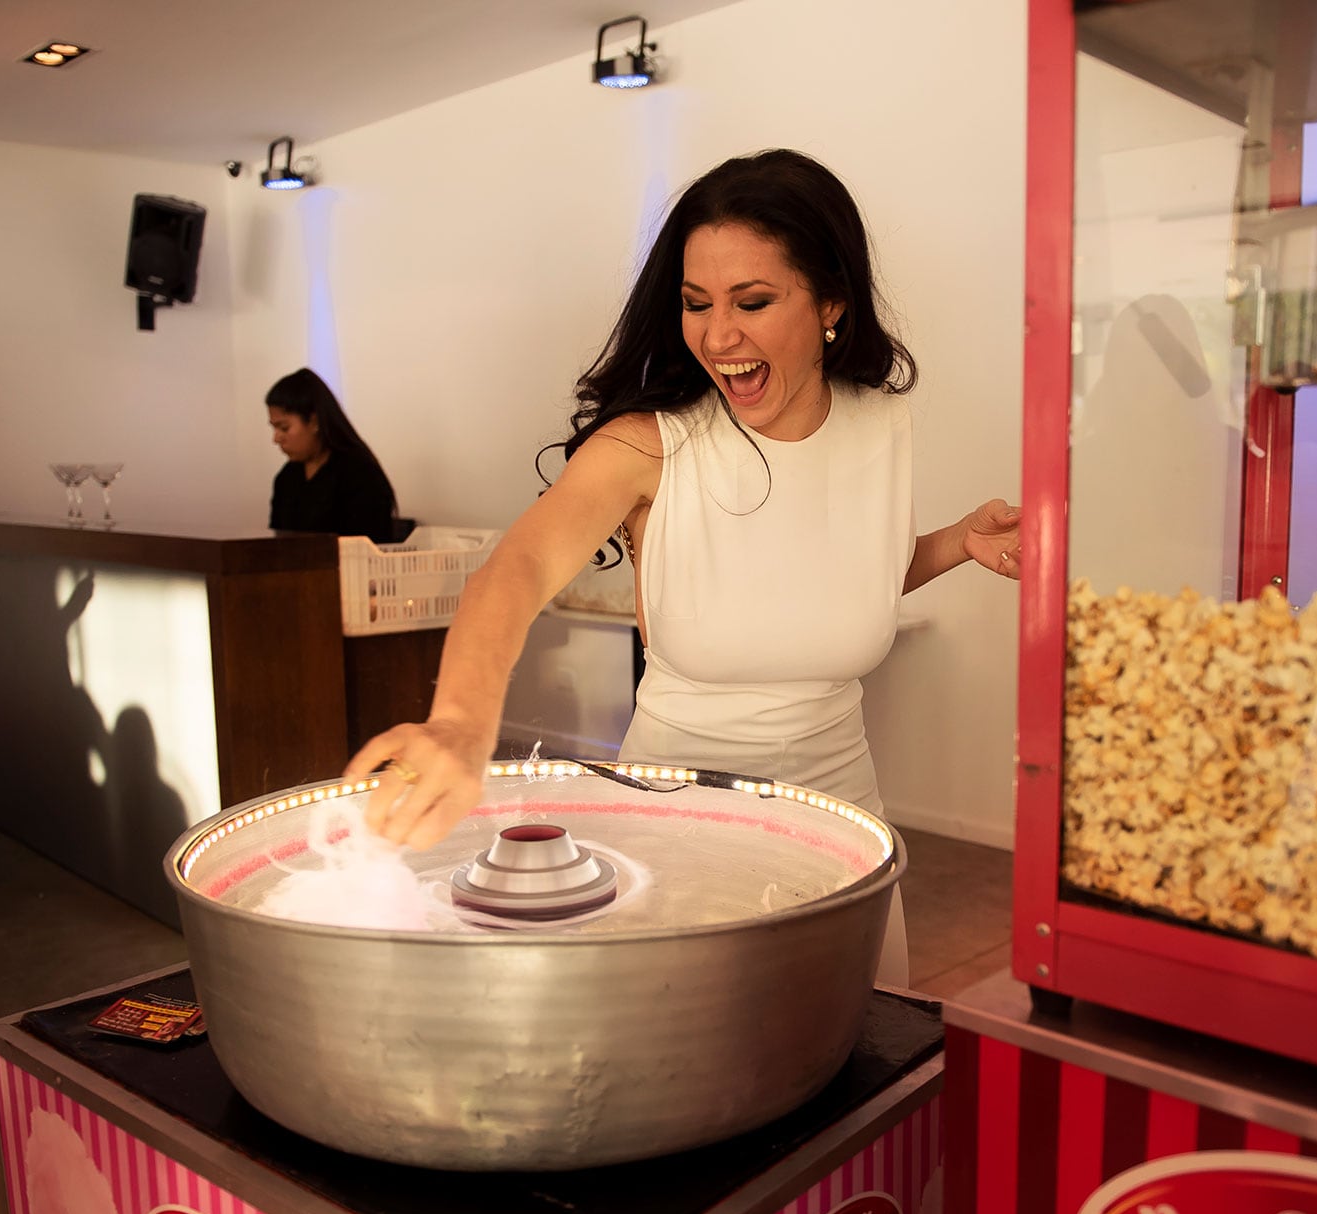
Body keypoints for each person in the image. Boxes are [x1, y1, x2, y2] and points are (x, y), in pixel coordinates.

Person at [346, 149, 1019, 976]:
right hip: (677, 816)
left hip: (843, 815)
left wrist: (955, 543)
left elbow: (833, 582)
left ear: (832, 302)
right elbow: (514, 568)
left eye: (754, 301)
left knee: (860, 1060)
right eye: (697, 303)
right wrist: (458, 720)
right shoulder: (649, 446)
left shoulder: (879, 424)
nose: (718, 334)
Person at [265, 369, 404, 541]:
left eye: (284, 428)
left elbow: (368, 546)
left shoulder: (358, 473)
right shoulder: (287, 477)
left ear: (314, 422)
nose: (276, 438)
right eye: (274, 428)